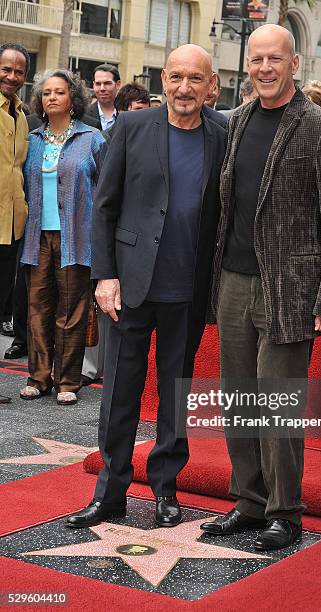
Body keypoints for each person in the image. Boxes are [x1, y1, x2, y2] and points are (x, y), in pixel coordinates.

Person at [201, 24, 321, 550]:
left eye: (275, 59)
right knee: (238, 397)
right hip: (234, 281)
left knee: (279, 401)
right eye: (256, 59)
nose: (264, 68)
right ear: (247, 65)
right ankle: (247, 499)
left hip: (291, 286)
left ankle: (284, 511)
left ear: (295, 62)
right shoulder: (234, 121)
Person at [66, 44, 226, 530]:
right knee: (119, 395)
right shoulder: (132, 128)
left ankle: (165, 491)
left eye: (195, 79)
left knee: (176, 397)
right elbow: (105, 206)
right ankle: (110, 493)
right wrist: (104, 275)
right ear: (163, 78)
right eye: (176, 77)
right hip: (128, 288)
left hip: (188, 291)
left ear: (211, 84)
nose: (184, 88)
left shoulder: (223, 132)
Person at [19, 70, 105, 406]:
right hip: (36, 237)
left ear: (73, 99)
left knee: (71, 310)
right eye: (46, 93)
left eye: (59, 92)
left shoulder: (92, 139)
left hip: (77, 236)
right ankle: (38, 378)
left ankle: (68, 380)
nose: (51, 97)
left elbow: (106, 191)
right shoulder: (33, 139)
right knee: (37, 308)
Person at [81, 83, 152, 386]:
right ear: (122, 113)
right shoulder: (108, 140)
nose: (144, 117)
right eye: (137, 111)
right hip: (111, 242)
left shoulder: (151, 139)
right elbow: (104, 203)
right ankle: (89, 369)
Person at [0, 42, 30, 403]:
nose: (11, 76)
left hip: (11, 227)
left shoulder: (21, 116)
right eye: (5, 68)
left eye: (18, 71)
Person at [86, 64, 121, 130]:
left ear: (118, 84)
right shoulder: (83, 116)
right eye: (98, 84)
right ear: (93, 85)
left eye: (107, 83)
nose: (102, 88)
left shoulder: (127, 113)